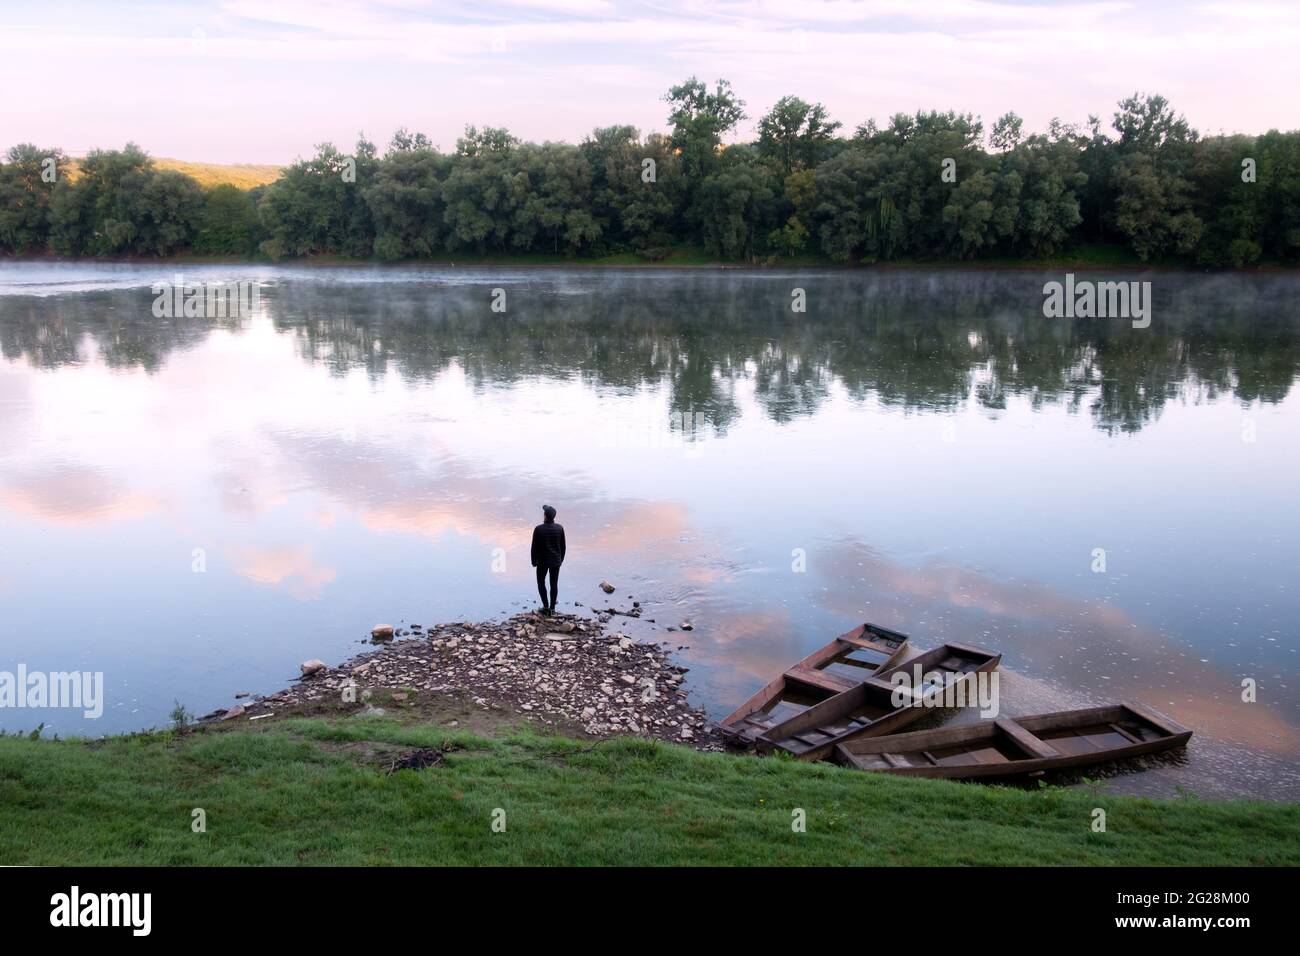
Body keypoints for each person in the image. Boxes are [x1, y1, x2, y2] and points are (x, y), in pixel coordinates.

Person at [530, 504, 566, 615]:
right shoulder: (559, 528)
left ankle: (545, 607)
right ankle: (552, 609)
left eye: (544, 513)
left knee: (541, 583)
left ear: (545, 516)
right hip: (556, 561)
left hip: (542, 562)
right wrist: (561, 560)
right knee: (554, 584)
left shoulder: (538, 529)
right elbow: (563, 546)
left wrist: (533, 561)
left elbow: (534, 547)